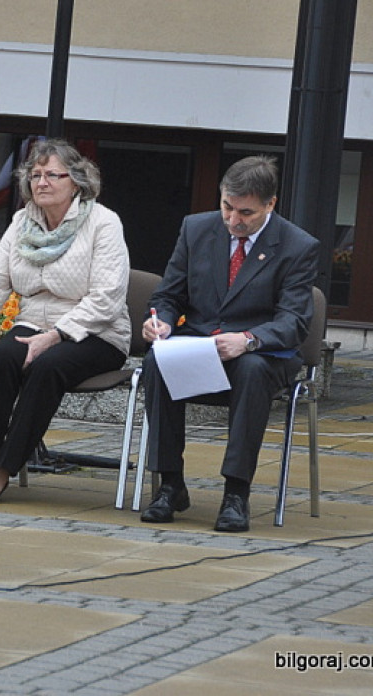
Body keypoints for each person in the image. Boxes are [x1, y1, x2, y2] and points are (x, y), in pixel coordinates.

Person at [0, 138, 130, 504]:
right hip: (33, 324)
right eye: (35, 175)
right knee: (2, 357)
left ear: (76, 181)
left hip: (97, 333)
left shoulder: (103, 222)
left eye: (52, 175)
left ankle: (2, 468)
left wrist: (56, 335)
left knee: (46, 366)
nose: (41, 182)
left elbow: (108, 297)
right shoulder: (22, 221)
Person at [139, 155, 318, 532]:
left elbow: (294, 321)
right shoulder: (196, 229)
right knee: (157, 362)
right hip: (202, 344)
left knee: (251, 369)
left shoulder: (297, 246)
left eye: (245, 213)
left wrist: (248, 340)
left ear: (270, 204)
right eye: (227, 207)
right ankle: (170, 484)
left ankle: (236, 493)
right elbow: (168, 295)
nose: (233, 220)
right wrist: (161, 321)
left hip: (262, 352)